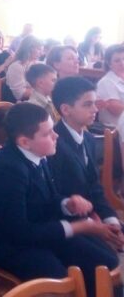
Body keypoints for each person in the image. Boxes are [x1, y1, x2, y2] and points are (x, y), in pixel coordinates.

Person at [0, 103, 121, 296]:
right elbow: (18, 232)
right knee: (59, 278)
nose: (56, 136)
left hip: (32, 228)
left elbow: (47, 198)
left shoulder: (37, 154)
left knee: (104, 260)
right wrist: (77, 227)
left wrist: (68, 204)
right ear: (24, 141)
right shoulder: (7, 170)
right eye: (47, 133)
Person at [49, 76, 121, 227]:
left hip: (91, 216)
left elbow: (94, 187)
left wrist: (111, 220)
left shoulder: (88, 138)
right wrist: (94, 225)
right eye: (88, 104)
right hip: (68, 222)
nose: (95, 109)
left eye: (94, 103)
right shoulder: (53, 145)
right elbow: (54, 197)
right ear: (66, 109)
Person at [5, 35, 43, 101]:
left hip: (31, 100)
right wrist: (42, 90)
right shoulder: (16, 67)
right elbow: (20, 94)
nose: (41, 53)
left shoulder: (35, 64)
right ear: (29, 49)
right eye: (39, 49)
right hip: (14, 103)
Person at [96, 44, 124, 127]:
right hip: (114, 129)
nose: (122, 63)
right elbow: (117, 110)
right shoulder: (106, 82)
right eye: (117, 61)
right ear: (109, 64)